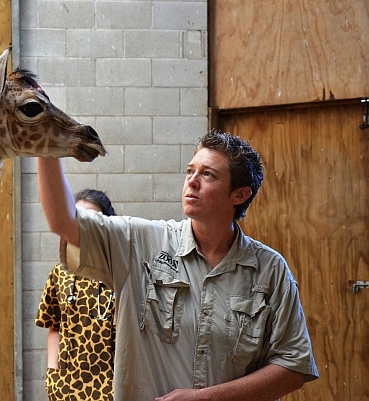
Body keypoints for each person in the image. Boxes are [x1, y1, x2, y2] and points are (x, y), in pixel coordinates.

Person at [36, 130, 319, 401]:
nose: (192, 181)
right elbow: (64, 221)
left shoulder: (270, 270)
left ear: (239, 194)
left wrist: (207, 398)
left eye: (207, 174)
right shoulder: (139, 242)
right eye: (190, 171)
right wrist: (45, 142)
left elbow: (293, 368)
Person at [35, 188, 117, 401]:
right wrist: (53, 373)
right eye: (78, 218)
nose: (83, 227)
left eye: (91, 219)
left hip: (116, 385)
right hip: (69, 386)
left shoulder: (122, 270)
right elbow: (54, 325)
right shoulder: (60, 273)